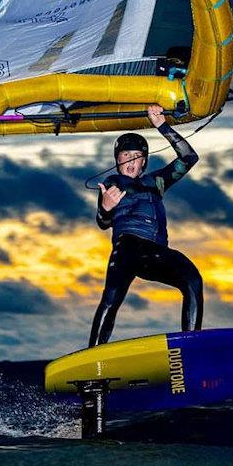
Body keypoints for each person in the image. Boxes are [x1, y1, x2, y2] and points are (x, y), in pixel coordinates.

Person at [89, 104, 203, 347]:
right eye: (125, 156)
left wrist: (162, 126)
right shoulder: (112, 184)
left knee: (192, 279)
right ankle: (93, 356)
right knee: (111, 299)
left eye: (136, 156)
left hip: (155, 253)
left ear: (144, 163)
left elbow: (189, 157)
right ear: (117, 161)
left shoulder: (157, 182)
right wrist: (106, 207)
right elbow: (103, 222)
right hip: (128, 248)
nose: (131, 160)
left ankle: (191, 347)